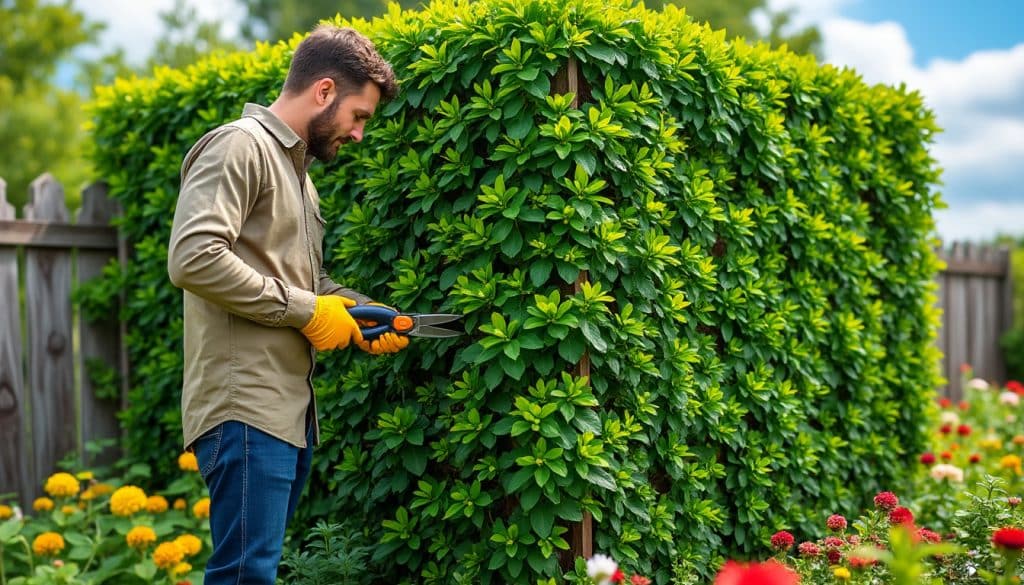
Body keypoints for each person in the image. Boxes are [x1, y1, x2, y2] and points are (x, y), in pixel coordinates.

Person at [167, 25, 405, 585]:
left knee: (253, 572)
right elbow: (194, 258)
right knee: (244, 576)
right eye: (359, 115)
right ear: (324, 91)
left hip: (285, 410)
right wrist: (307, 311)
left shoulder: (300, 176)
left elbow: (308, 283)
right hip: (244, 404)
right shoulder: (239, 145)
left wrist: (365, 313)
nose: (359, 134)